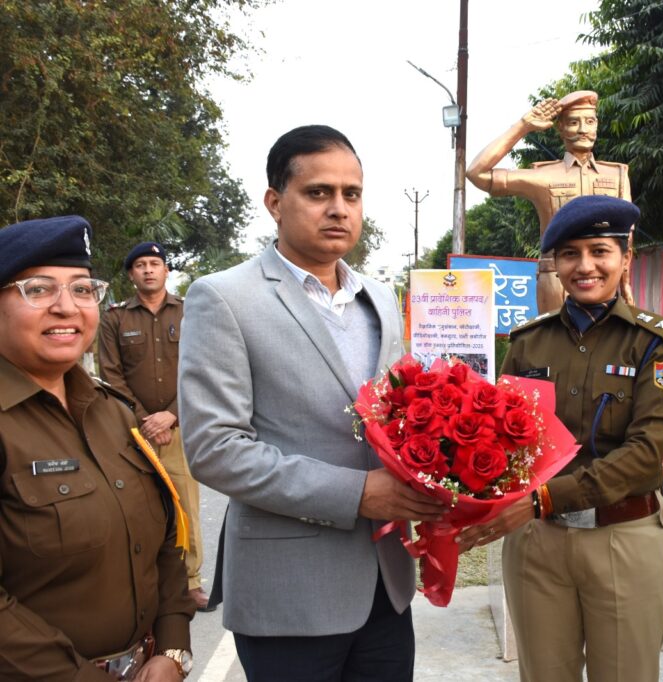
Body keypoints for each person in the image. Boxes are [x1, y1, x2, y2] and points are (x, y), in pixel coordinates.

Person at [177, 125, 444, 682]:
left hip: (385, 584)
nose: (339, 208)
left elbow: (399, 418)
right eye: (318, 192)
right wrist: (357, 493)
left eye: (352, 193)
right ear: (275, 202)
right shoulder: (224, 297)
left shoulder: (379, 296)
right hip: (288, 591)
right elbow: (216, 450)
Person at [456, 195, 663, 682]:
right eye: (569, 254)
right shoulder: (528, 341)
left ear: (626, 257)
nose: (584, 267)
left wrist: (542, 499)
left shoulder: (656, 343)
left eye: (599, 251)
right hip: (538, 543)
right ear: (555, 264)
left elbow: (645, 454)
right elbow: (505, 441)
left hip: (623, 536)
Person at [0, 215, 195, 681]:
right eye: (38, 289)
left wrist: (173, 648)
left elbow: (165, 539)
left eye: (83, 289)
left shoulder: (114, 413)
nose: (66, 307)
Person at [98, 241, 211, 612]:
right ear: (131, 274)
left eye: (155, 263)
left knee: (185, 506)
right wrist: (144, 419)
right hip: (133, 432)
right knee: (137, 507)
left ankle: (190, 583)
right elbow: (111, 374)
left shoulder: (190, 311)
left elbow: (203, 367)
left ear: (166, 270)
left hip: (179, 429)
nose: (148, 269)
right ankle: (143, 584)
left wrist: (171, 415)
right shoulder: (115, 318)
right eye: (141, 265)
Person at [467, 90, 631, 313]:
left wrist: (625, 283)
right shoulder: (544, 177)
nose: (583, 129)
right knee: (556, 335)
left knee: (606, 335)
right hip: (556, 278)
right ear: (560, 128)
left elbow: (627, 235)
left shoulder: (617, 175)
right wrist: (523, 127)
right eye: (573, 122)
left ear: (597, 125)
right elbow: (477, 173)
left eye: (590, 121)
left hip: (603, 277)